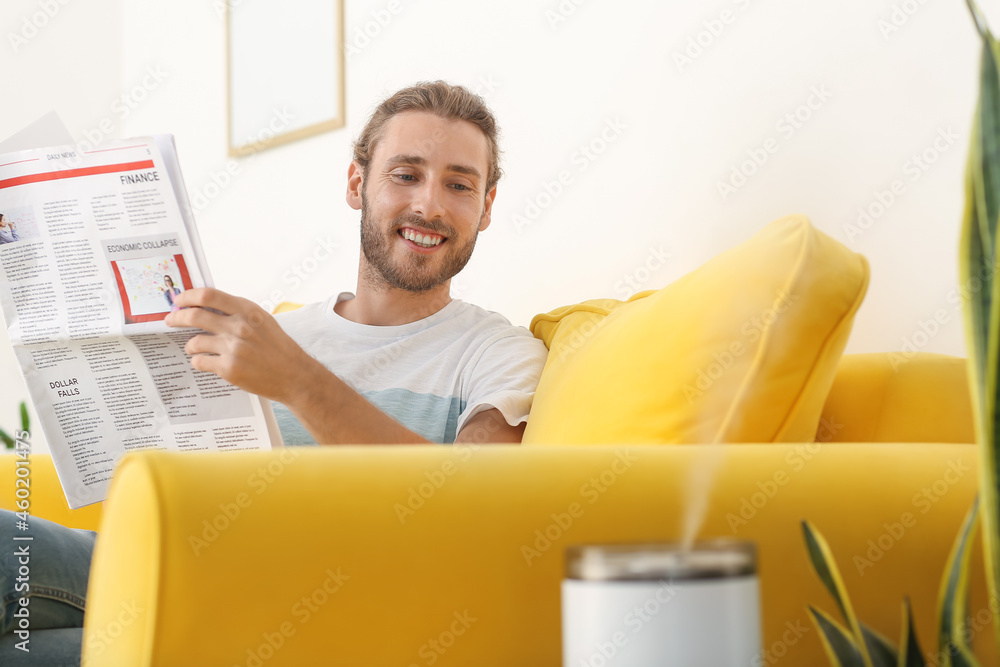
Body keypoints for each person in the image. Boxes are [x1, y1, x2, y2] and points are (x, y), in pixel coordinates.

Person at [0, 81, 548, 664]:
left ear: (486, 205)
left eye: (459, 185)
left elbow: (482, 518)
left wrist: (299, 382)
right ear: (357, 184)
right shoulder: (272, 335)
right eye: (405, 174)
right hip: (190, 575)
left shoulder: (497, 352)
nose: (429, 206)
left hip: (323, 613)